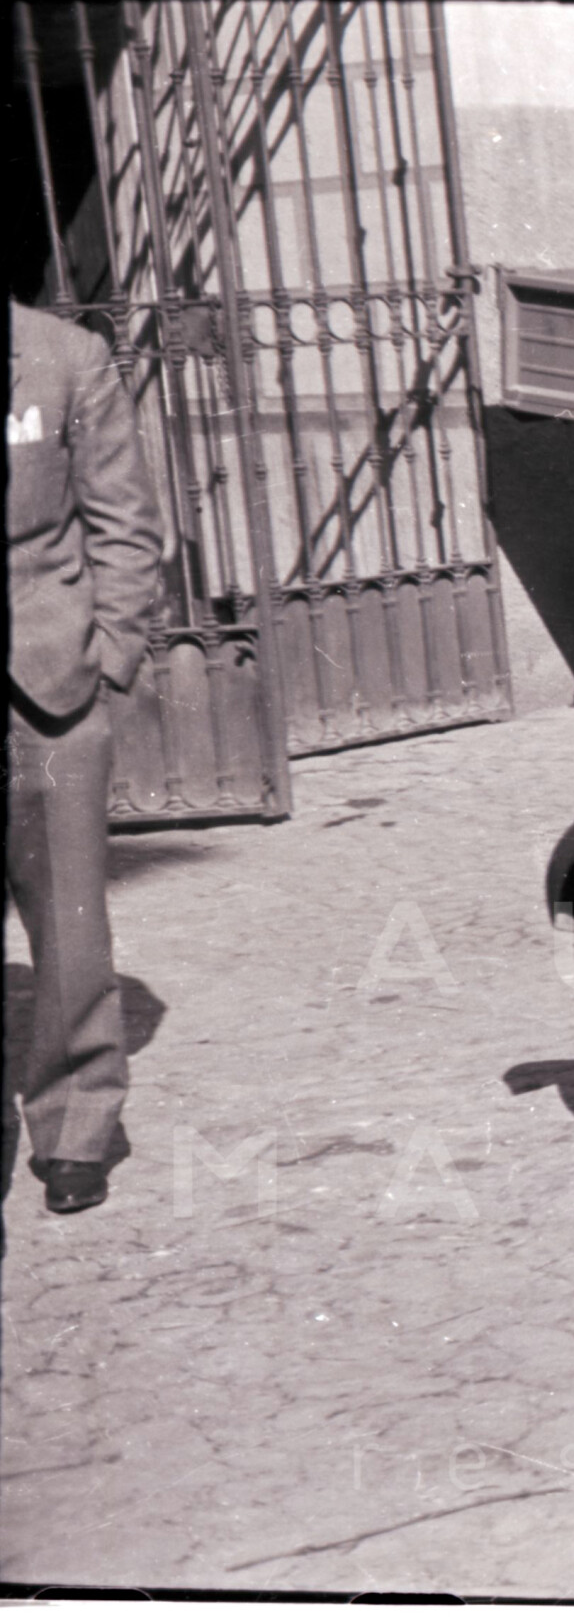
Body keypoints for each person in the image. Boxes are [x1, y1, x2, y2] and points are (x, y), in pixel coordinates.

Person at [7, 299, 163, 1214]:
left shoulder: (67, 357)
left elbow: (124, 521)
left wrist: (110, 655)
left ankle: (76, 1130)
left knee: (69, 919)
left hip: (49, 682)